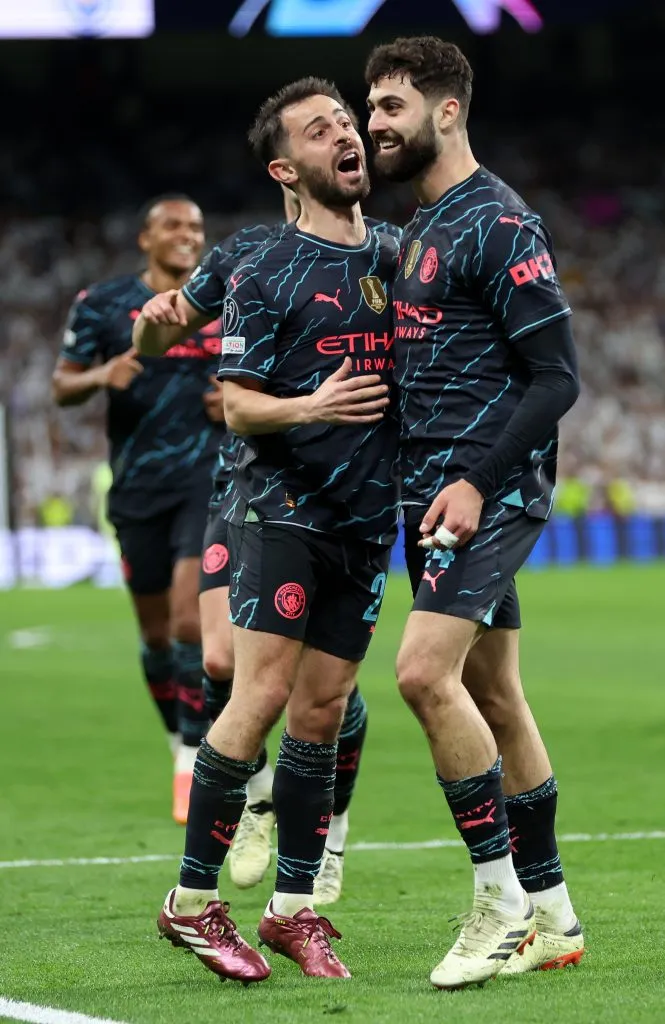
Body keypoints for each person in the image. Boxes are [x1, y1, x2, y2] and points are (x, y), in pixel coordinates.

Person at [155, 77, 399, 984]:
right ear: (285, 167)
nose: (347, 133)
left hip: (370, 521)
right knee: (253, 698)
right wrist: (315, 406)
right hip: (281, 509)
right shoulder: (263, 266)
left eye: (347, 120)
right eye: (320, 128)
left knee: (324, 710)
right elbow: (237, 408)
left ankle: (294, 909)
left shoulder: (403, 255)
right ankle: (189, 904)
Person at [365, 37, 584, 988]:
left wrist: (478, 482)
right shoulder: (420, 229)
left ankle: (497, 900)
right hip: (432, 495)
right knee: (496, 696)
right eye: (370, 108)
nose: (376, 124)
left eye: (392, 107)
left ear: (447, 111)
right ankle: (555, 917)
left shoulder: (499, 224)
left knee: (421, 675)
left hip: (482, 493)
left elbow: (557, 379)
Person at [52, 195, 217, 824]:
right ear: (146, 238)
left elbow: (267, 374)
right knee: (154, 638)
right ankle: (179, 738)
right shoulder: (102, 304)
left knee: (186, 620)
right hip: (137, 490)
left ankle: (195, 757)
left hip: (207, 480)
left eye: (196, 228)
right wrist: (100, 377)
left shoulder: (223, 302)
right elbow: (61, 385)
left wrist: (237, 396)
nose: (188, 236)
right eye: (174, 226)